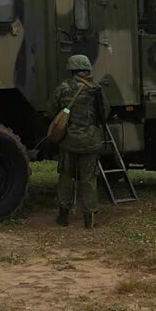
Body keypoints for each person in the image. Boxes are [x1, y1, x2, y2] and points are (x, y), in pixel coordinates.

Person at [49, 54, 108, 228]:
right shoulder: (96, 89)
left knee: (66, 177)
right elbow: (105, 112)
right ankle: (89, 219)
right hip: (90, 141)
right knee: (89, 179)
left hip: (69, 141)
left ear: (72, 69)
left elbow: (52, 110)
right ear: (87, 69)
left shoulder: (64, 88)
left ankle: (63, 216)